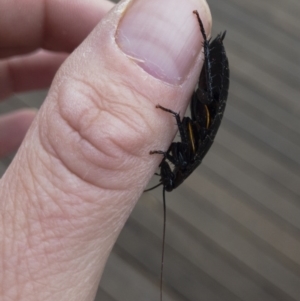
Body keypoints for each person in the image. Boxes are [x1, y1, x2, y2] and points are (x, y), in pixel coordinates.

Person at [0, 0, 211, 299]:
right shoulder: (186, 157)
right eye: (166, 177)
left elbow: (183, 123)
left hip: (208, 98)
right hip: (209, 98)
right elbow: (184, 122)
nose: (163, 172)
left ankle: (199, 37)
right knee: (205, 104)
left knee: (205, 105)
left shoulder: (184, 157)